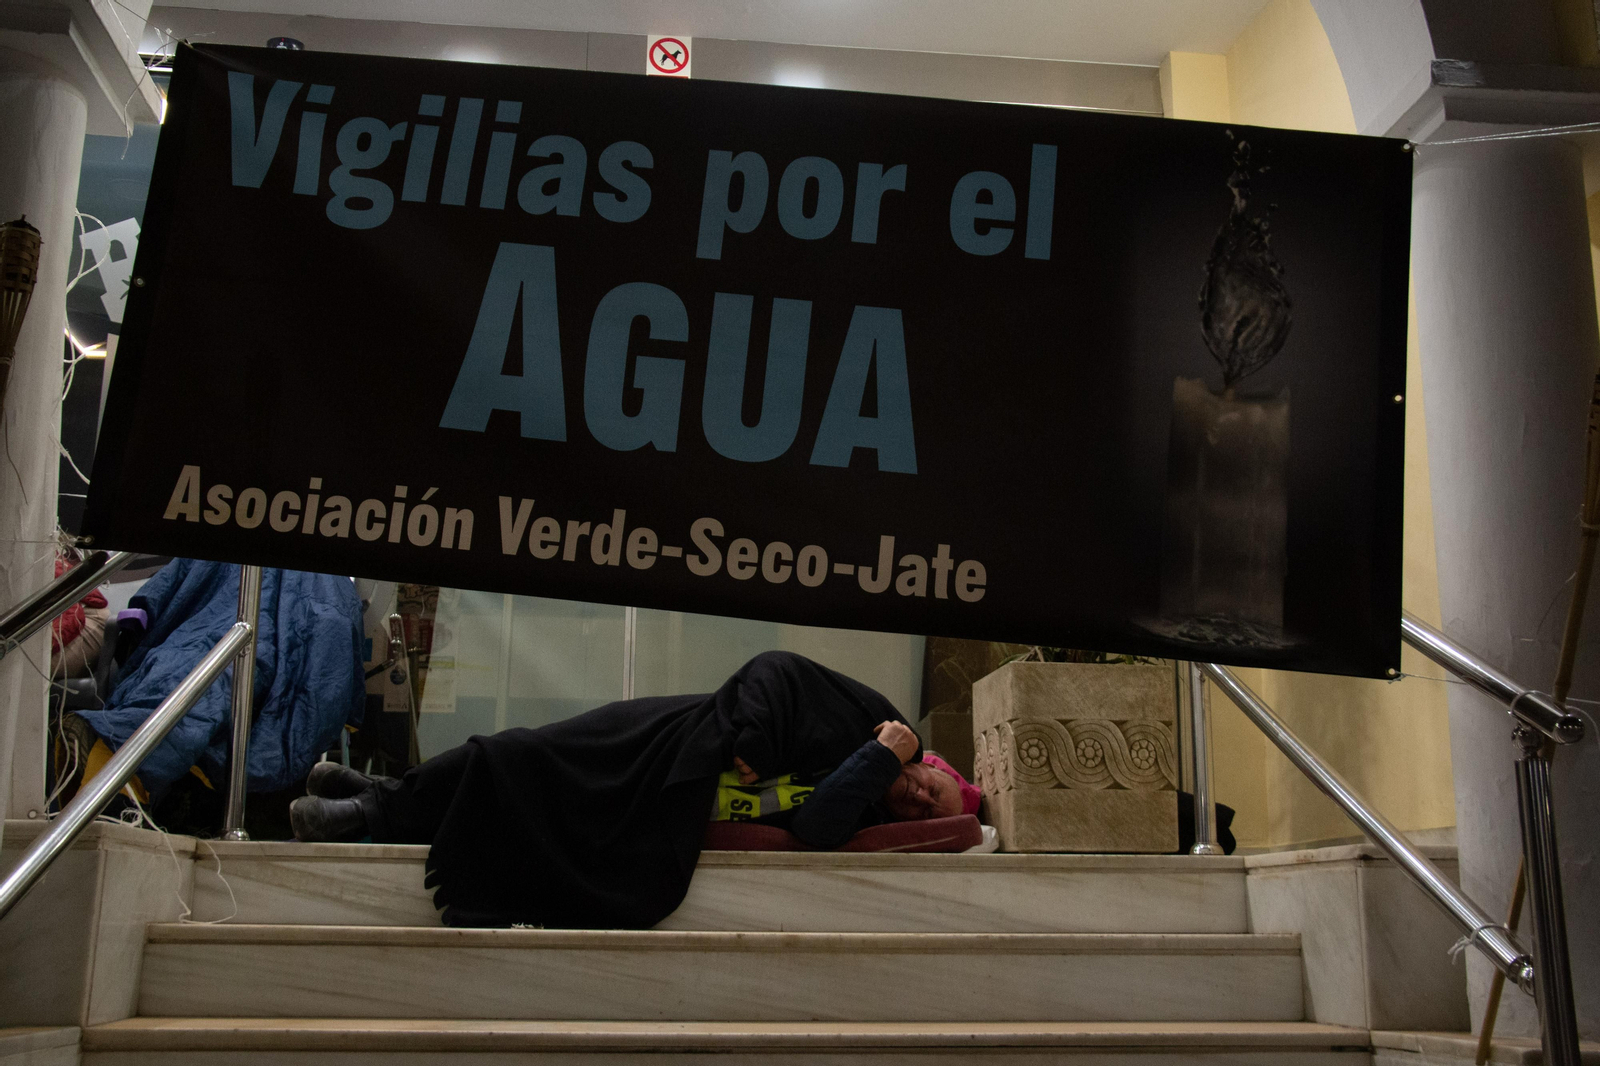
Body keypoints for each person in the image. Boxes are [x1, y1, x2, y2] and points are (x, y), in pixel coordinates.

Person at [290, 650, 981, 930]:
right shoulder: (874, 710)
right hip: (676, 737)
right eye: (929, 788)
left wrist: (879, 762)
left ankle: (378, 805)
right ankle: (381, 800)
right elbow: (776, 672)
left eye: (927, 809)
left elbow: (818, 826)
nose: (918, 799)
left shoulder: (867, 785)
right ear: (932, 764)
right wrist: (756, 739)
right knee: (523, 750)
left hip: (666, 802)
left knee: (535, 787)